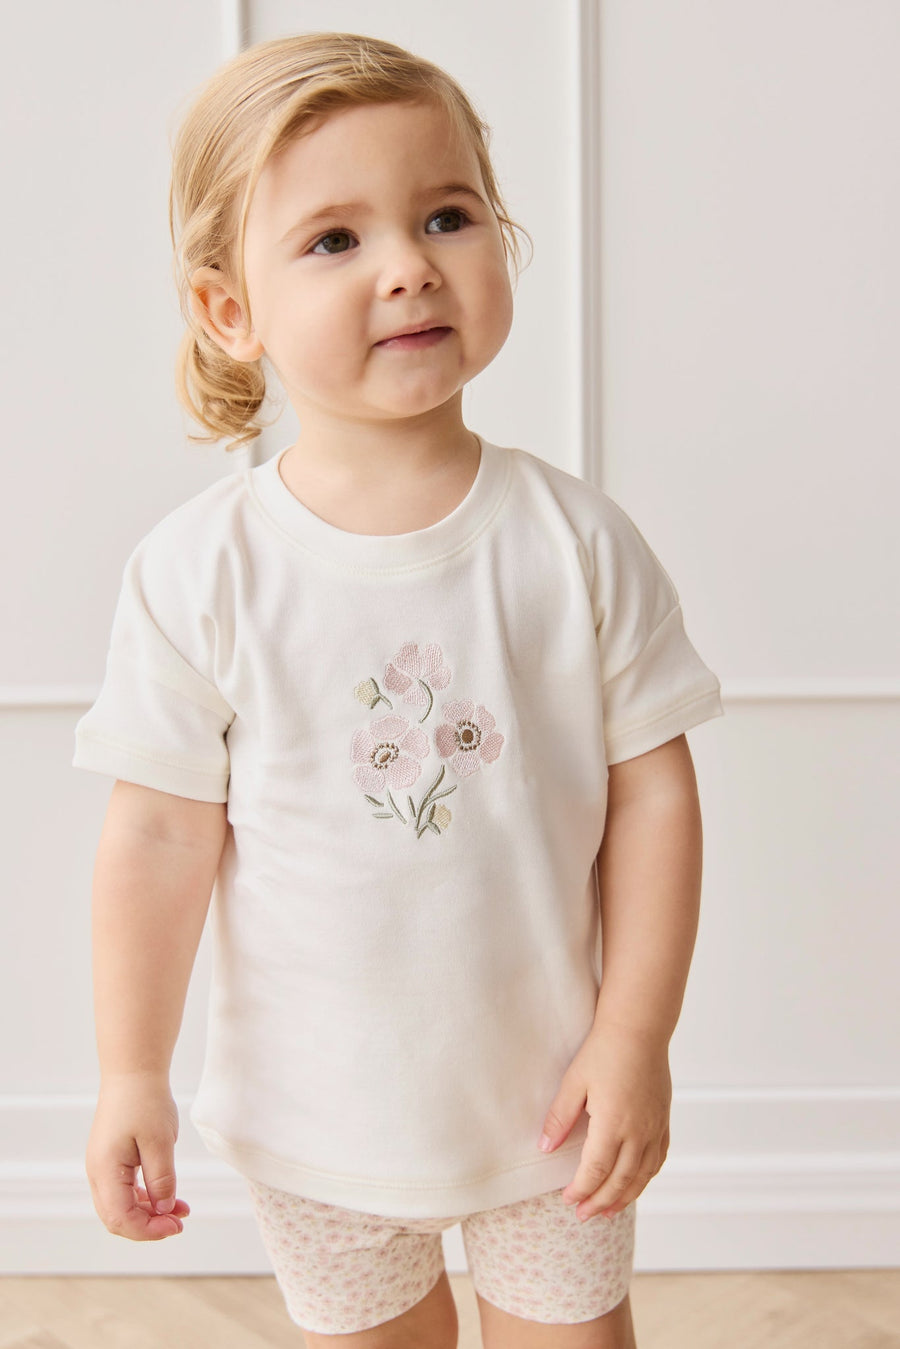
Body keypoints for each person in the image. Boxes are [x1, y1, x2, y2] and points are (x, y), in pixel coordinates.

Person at [74, 32, 724, 1349]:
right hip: (318, 1122)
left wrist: (637, 1033)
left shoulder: (575, 544)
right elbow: (156, 837)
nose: (410, 266)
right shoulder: (203, 572)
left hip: (554, 1100)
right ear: (229, 311)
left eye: (446, 216)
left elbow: (654, 799)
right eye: (335, 239)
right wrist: (130, 1069)